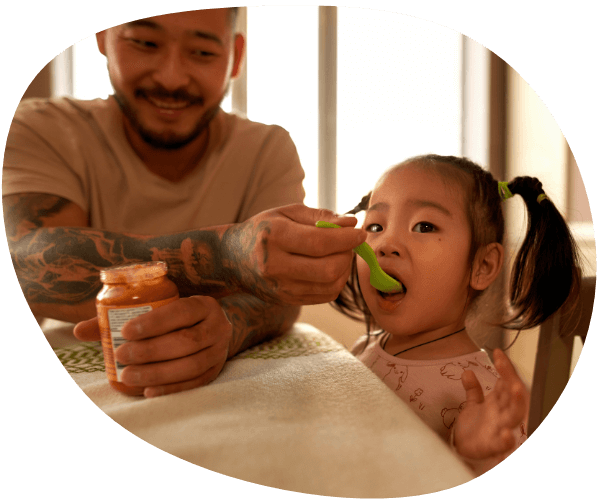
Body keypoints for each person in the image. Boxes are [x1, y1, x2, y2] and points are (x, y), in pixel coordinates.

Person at [3, 8, 366, 398]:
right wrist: (228, 253)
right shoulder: (37, 128)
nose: (171, 77)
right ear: (104, 38)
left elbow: (279, 298)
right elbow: (24, 261)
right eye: (145, 43)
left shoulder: (266, 149)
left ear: (235, 57)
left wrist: (226, 326)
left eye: (203, 53)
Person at [330, 154, 581, 475]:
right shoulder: (367, 345)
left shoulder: (485, 393)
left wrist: (477, 455)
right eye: (375, 226)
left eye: (424, 226)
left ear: (482, 266)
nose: (385, 244)